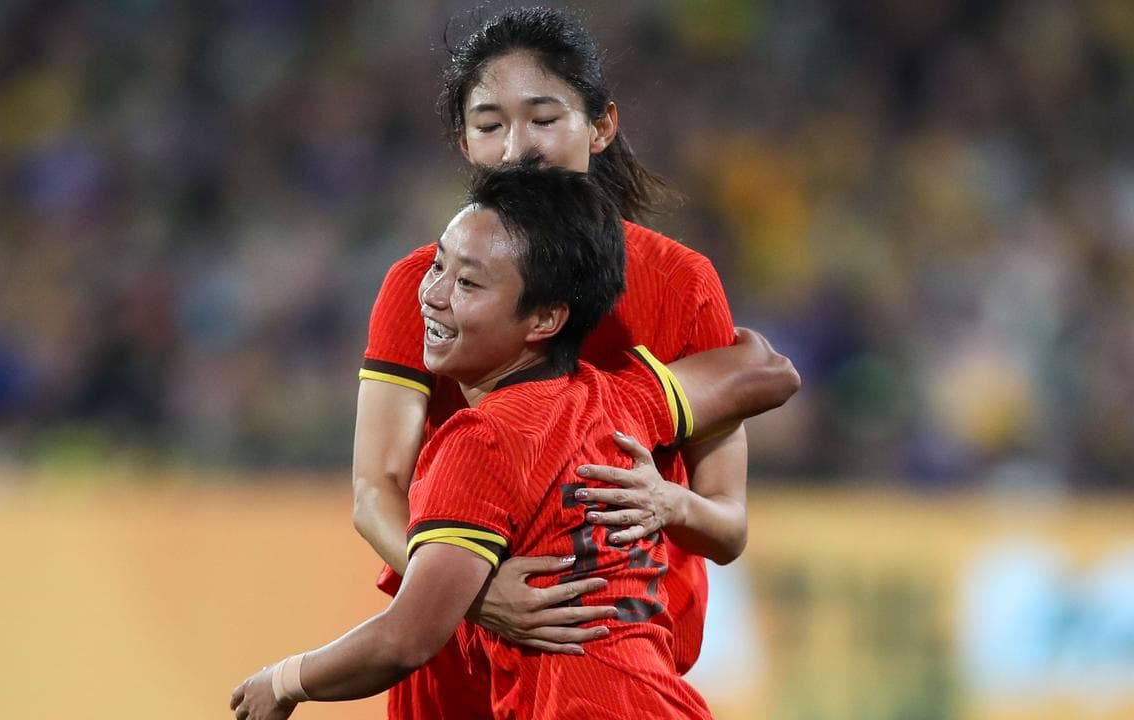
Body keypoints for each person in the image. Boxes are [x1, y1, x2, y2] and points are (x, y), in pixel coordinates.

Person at [351, 7, 800, 719]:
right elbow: (376, 488)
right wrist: (469, 590)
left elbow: (729, 524)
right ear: (463, 141)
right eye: (490, 124)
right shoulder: (423, 287)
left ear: (601, 126)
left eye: (543, 118)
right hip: (456, 665)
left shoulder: (678, 284)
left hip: (611, 667)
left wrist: (669, 502)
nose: (516, 148)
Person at [232, 163, 795, 720]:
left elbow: (406, 640)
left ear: (546, 318)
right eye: (438, 265)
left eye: (469, 283)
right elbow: (772, 371)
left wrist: (284, 682)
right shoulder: (620, 398)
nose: (432, 295)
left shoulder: (482, 441)